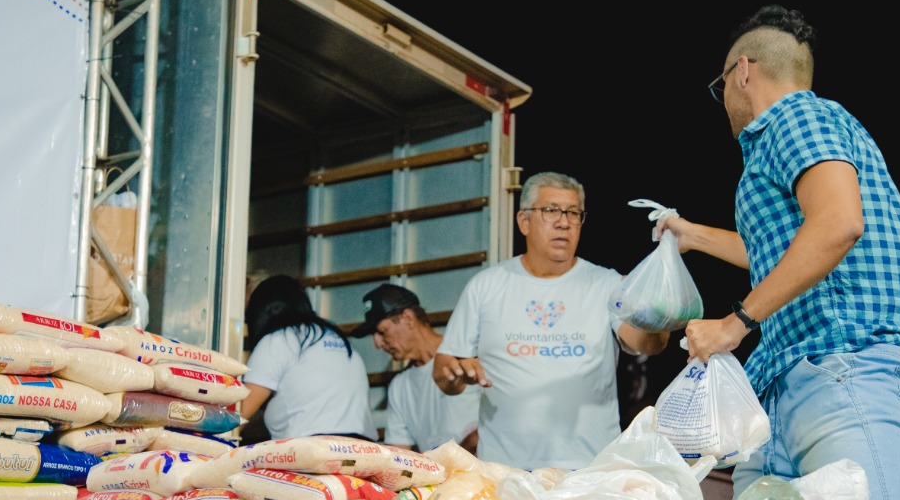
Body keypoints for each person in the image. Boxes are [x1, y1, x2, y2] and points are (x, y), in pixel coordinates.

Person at [654, 5, 900, 500]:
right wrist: (692, 235)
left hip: (844, 369)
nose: (725, 104)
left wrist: (735, 323)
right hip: (780, 391)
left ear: (742, 71)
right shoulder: (782, 142)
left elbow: (836, 224)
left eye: (722, 88)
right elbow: (782, 253)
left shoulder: (797, 117)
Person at [433, 171, 671, 471]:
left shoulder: (607, 284)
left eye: (573, 213)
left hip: (588, 469)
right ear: (524, 221)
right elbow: (445, 365)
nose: (564, 222)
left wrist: (661, 318)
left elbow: (645, 342)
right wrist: (454, 376)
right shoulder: (487, 285)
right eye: (550, 211)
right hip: (504, 470)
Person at [238, 274, 377, 441]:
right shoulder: (336, 337)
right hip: (363, 451)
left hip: (313, 452)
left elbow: (239, 415)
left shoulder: (278, 340)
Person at [350, 282, 481, 454]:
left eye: (382, 332)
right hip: (439, 478)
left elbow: (508, 416)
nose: (377, 344)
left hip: (491, 474)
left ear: (408, 319)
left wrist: (464, 451)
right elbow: (399, 455)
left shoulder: (470, 356)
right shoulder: (399, 386)